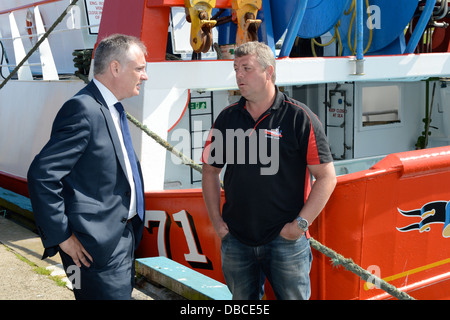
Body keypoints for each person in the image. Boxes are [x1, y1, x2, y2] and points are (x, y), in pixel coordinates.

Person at [201, 41, 337, 300]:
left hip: (285, 241)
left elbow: (327, 177)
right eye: (236, 68)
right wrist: (217, 222)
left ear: (269, 72)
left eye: (247, 68)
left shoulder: (299, 117)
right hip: (237, 239)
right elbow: (209, 171)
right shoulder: (227, 118)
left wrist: (298, 226)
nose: (239, 75)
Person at [27, 34, 148, 300]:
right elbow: (42, 175)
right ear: (115, 68)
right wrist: (62, 237)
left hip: (119, 238)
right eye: (139, 68)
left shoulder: (111, 108)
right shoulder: (83, 109)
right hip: (91, 248)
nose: (145, 75)